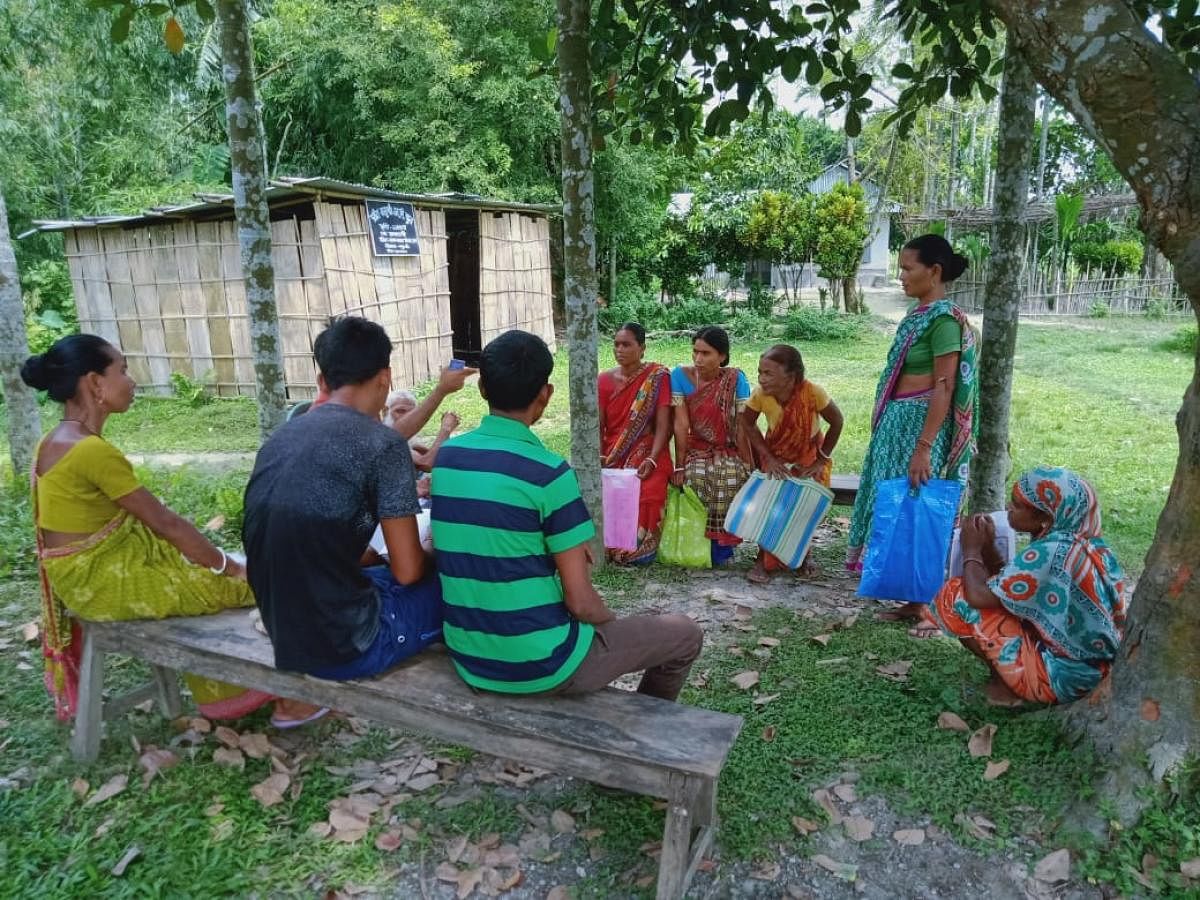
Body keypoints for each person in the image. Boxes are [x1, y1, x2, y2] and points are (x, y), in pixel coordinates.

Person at [431, 330, 703, 700]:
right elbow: (581, 602)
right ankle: (645, 723)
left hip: (469, 654)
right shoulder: (550, 473)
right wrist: (613, 632)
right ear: (545, 396)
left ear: (481, 389)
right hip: (541, 663)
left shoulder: (447, 459)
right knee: (685, 634)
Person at [20, 335, 277, 724]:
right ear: (94, 383)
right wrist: (229, 566)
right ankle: (284, 692)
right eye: (121, 371)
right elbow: (165, 523)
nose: (132, 381)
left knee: (214, 571)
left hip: (85, 580)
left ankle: (239, 691)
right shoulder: (90, 450)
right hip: (104, 584)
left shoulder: (52, 441)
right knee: (259, 582)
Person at [243, 317, 443, 700]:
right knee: (461, 584)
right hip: (344, 647)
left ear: (322, 381)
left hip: (283, 626)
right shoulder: (382, 445)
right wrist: (436, 549)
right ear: (385, 378)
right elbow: (408, 570)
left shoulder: (282, 437)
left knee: (379, 577)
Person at [847, 234, 979, 630]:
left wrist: (923, 447)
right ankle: (912, 596)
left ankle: (929, 603)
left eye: (907, 268)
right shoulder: (917, 315)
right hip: (897, 423)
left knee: (924, 509)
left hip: (922, 427)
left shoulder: (942, 320)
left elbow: (944, 386)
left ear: (934, 271)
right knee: (901, 508)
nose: (901, 276)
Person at [921, 468, 1129, 707]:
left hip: (1062, 680)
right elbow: (1012, 592)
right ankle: (1013, 677)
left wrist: (971, 550)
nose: (1009, 508)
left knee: (954, 594)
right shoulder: (1092, 546)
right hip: (1097, 672)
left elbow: (979, 597)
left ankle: (1009, 686)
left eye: (1018, 505)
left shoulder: (1050, 553)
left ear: (1046, 518)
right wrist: (989, 550)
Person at [742, 344, 844, 582]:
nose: (762, 379)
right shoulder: (760, 395)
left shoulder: (813, 393)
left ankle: (803, 556)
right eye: (760, 372)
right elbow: (746, 423)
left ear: (791, 375)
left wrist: (821, 460)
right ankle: (762, 558)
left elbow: (837, 422)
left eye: (769, 374)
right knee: (770, 502)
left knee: (805, 504)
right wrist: (768, 457)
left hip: (809, 458)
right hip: (776, 456)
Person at [670, 326, 753, 566]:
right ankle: (699, 544)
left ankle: (722, 550)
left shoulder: (736, 379)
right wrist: (679, 464)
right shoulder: (680, 376)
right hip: (696, 446)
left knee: (730, 473)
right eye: (695, 352)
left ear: (722, 356)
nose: (698, 359)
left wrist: (747, 463)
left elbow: (741, 425)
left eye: (705, 353)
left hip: (729, 447)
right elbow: (681, 423)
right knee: (694, 475)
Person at [597, 322, 672, 564]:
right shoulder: (604, 381)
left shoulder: (658, 377)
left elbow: (664, 424)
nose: (619, 349)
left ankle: (639, 546)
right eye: (616, 344)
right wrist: (599, 457)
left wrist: (652, 457)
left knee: (647, 485)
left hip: (649, 447)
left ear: (642, 348)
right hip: (612, 452)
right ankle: (610, 543)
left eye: (626, 344)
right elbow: (598, 425)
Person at [384, 389, 459, 471]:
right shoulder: (385, 437)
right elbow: (427, 464)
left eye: (411, 413)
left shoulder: (406, 440)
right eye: (400, 411)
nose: (407, 417)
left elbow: (432, 455)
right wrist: (446, 428)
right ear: (385, 412)